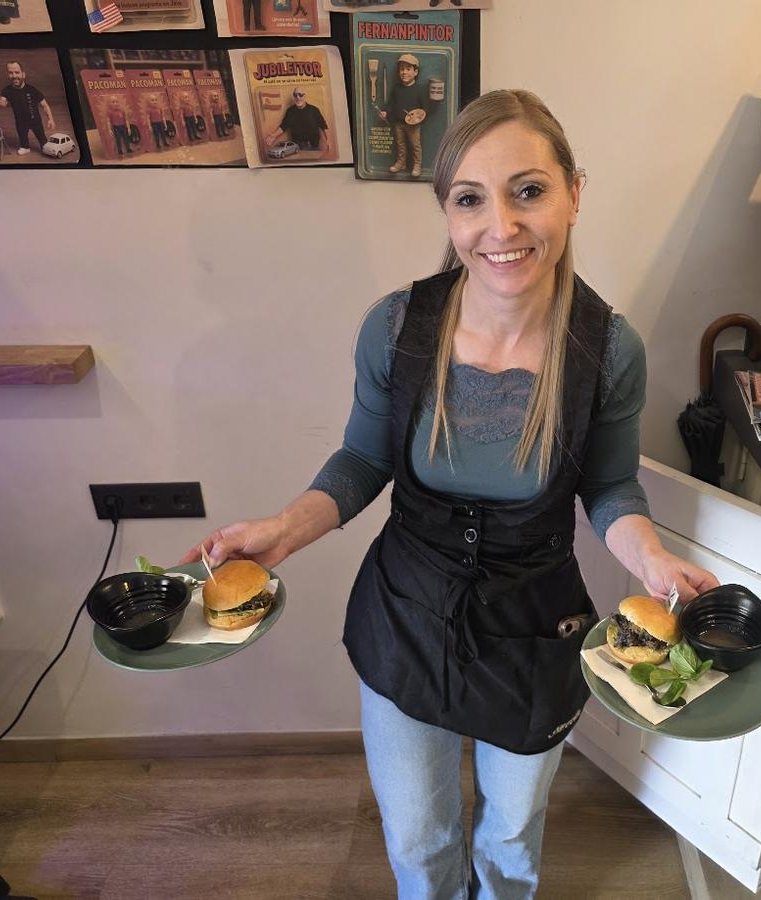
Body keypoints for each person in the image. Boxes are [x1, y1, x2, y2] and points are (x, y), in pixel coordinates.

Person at [180, 89, 718, 899]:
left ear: (575, 192)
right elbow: (364, 460)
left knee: (509, 839)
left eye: (528, 190)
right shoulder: (396, 328)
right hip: (406, 615)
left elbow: (609, 484)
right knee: (421, 841)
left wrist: (652, 560)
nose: (500, 228)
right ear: (448, 213)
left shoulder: (607, 350)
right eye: (471, 200)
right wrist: (286, 530)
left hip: (535, 629)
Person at [377, 53, 433, 177]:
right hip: (398, 123)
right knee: (400, 145)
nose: (404, 72)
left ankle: (417, 165)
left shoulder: (420, 89)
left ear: (416, 72)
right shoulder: (396, 89)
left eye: (408, 69)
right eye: (402, 69)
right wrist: (385, 112)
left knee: (415, 145)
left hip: (413, 125)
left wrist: (418, 117)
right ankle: (401, 163)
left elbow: (426, 108)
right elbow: (390, 104)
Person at [0, 61, 54, 156]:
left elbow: (45, 105)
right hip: (20, 121)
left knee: (43, 141)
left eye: (17, 72)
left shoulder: (32, 89)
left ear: (23, 74)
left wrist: (50, 119)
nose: (14, 75)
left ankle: (43, 144)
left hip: (35, 120)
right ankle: (25, 147)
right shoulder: (6, 90)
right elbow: (4, 103)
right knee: (22, 137)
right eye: (10, 73)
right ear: (8, 74)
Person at [264, 88, 329, 154]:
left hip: (314, 147)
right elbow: (283, 126)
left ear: (305, 96)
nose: (298, 97)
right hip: (297, 148)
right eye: (295, 95)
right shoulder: (290, 111)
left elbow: (324, 126)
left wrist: (328, 141)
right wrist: (274, 135)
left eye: (300, 95)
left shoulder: (314, 110)